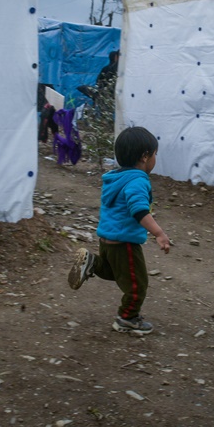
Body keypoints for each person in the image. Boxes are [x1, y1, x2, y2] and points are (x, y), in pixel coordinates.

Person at [67, 126, 171, 335]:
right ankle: (127, 318)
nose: (154, 159)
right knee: (137, 284)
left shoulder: (115, 178)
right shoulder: (137, 180)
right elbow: (139, 210)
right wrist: (159, 233)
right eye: (154, 155)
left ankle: (92, 262)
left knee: (113, 272)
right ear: (144, 157)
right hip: (125, 243)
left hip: (107, 239)